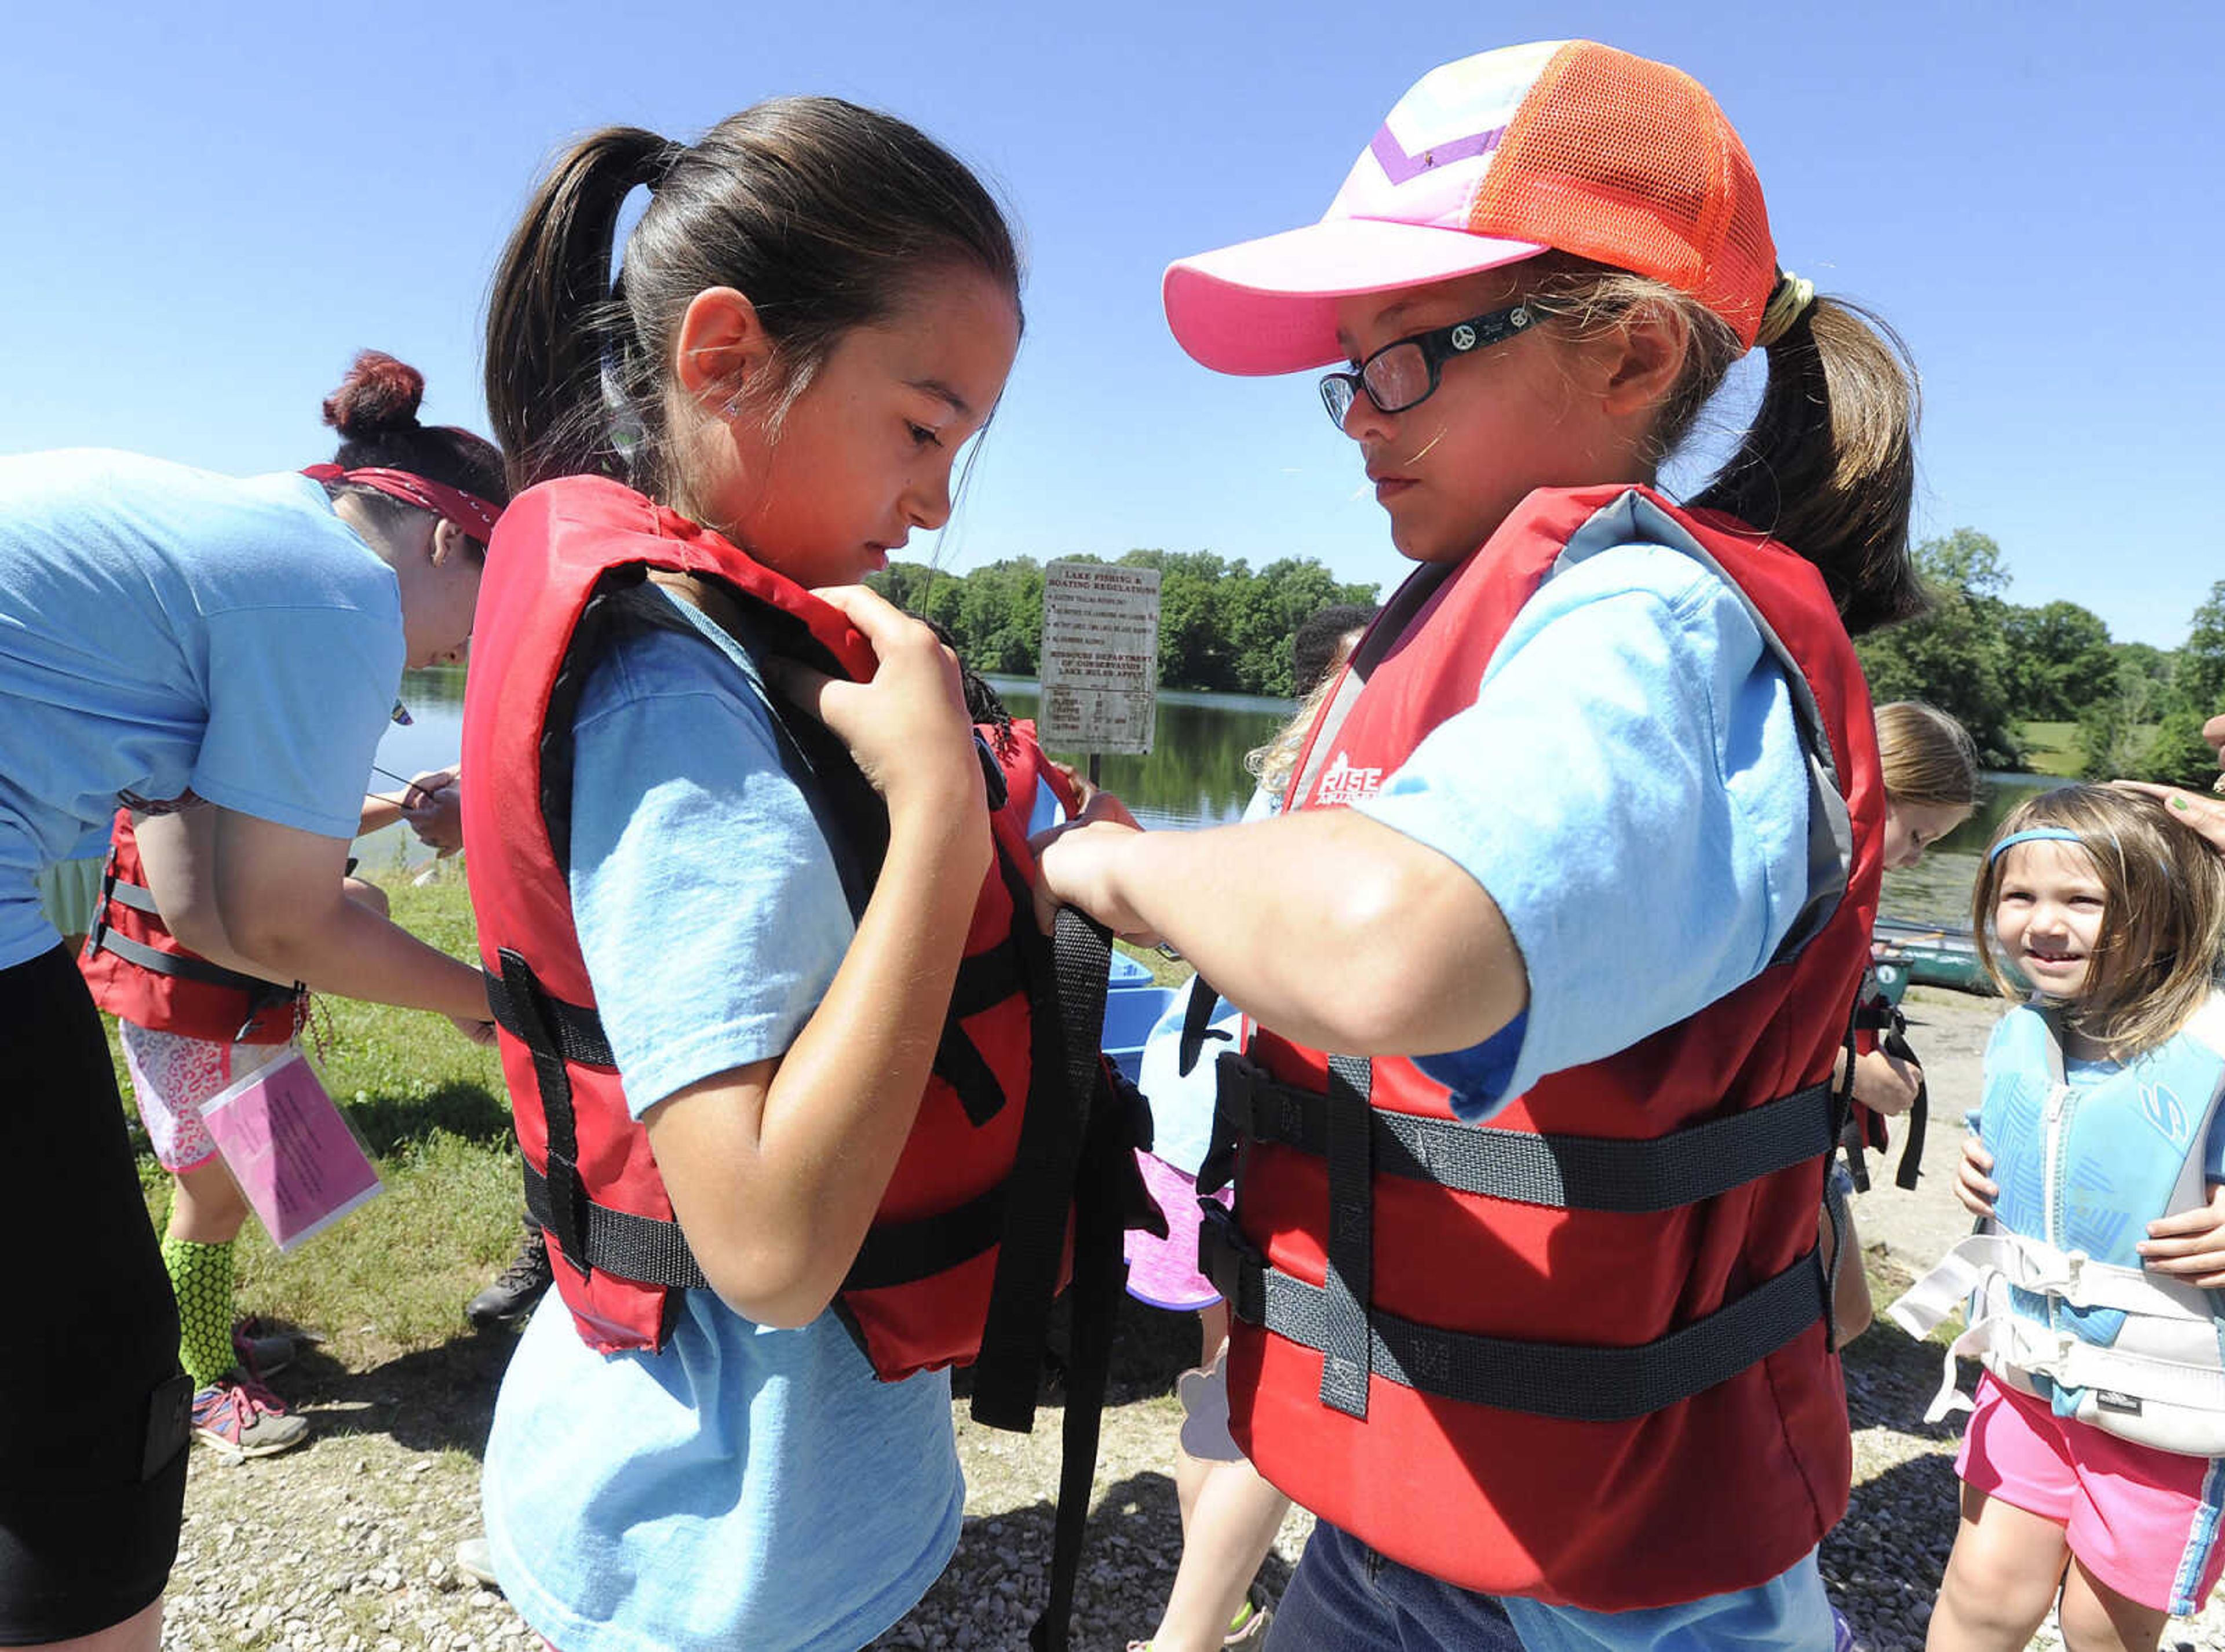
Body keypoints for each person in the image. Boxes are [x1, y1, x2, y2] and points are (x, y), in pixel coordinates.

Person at [1037, 39, 1923, 1649]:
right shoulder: (1493, 627)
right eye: (1344, 372)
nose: (1354, 418)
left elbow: (1394, 947)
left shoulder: (1648, 627)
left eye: (1403, 359)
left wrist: (1116, 869)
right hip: (1416, 1502)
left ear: (1634, 351)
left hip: (1622, 1576)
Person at [463, 100, 1076, 1652]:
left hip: (756, 1503)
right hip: (721, 1554)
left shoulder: (722, 644)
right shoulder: (676, 702)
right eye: (925, 428)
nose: (942, 499)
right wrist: (939, 807)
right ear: (728, 356)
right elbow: (772, 1249)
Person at [0, 351, 505, 1649]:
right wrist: (483, 1001)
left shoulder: (237, 549)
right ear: (450, 537)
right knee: (96, 1377)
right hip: (74, 957)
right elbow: (273, 919)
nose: (468, 654)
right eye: (485, 615)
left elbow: (225, 906)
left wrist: (362, 910)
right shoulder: (338, 594)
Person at [1891, 786, 2225, 1649]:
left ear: (2162, 910)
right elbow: (2023, 1145)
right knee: (1981, 1590)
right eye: (2019, 895)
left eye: (2082, 899)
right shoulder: (2023, 1036)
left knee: (2101, 1625)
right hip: (2026, 1376)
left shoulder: (2213, 1047)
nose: (2045, 921)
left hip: (2163, 1411)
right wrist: (1979, 1169)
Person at [1124, 606, 1372, 1652]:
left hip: (1187, 1117)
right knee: (1268, 1403)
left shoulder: (1281, 784)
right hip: (1251, 1135)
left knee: (1222, 1382)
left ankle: (1211, 1605)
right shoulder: (1354, 795)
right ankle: (1190, 1635)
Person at [1823, 701, 1981, 1343]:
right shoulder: (1801, 887)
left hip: (1805, 1144)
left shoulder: (1838, 883)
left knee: (1845, 1315)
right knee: (1844, 1315)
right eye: (1917, 835)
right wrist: (1862, 1077)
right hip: (1769, 1146)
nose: (1916, 859)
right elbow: (1727, 1030)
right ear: (1869, 786)